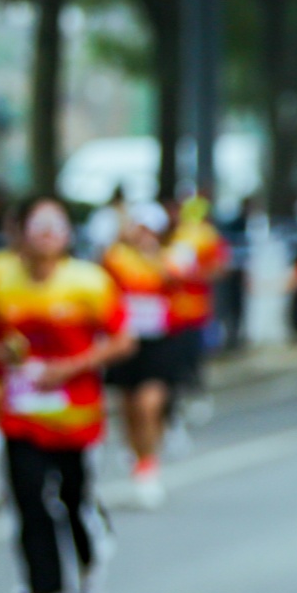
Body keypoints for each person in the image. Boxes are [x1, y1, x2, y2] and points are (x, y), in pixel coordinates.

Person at [0, 196, 134, 593]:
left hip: (77, 419)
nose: (47, 234)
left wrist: (70, 367)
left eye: (56, 225)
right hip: (21, 416)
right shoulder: (0, 282)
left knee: (72, 501)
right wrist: (1, 366)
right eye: (37, 225)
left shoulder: (90, 282)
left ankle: (91, 561)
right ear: (20, 232)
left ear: (68, 234)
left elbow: (124, 340)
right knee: (29, 503)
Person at [102, 201, 184, 508]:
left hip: (159, 341)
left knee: (149, 404)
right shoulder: (118, 258)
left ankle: (148, 464)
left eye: (151, 229)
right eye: (141, 228)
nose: (145, 235)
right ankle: (138, 455)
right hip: (126, 342)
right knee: (128, 408)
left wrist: (155, 258)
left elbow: (180, 281)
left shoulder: (172, 257)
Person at [162, 191, 230, 402]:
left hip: (194, 304)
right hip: (172, 307)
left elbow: (219, 267)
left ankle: (191, 384)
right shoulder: (172, 234)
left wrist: (193, 275)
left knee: (192, 348)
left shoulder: (205, 235)